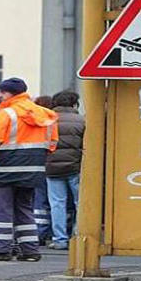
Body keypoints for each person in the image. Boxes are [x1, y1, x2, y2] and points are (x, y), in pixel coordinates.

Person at [0, 77, 58, 262]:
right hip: (32, 170)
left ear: (8, 93)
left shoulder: (5, 115)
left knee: (2, 210)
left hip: (3, 170)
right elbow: (52, 145)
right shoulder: (46, 114)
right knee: (25, 209)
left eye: (1, 92)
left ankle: (2, 250)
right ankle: (30, 251)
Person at [44, 91, 85, 250]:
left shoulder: (47, 121)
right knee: (80, 203)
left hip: (52, 168)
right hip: (76, 167)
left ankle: (60, 239)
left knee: (57, 204)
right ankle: (78, 237)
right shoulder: (82, 121)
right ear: (75, 104)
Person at [32, 95, 54, 245]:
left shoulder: (36, 121)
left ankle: (39, 232)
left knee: (40, 203)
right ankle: (57, 234)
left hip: (39, 166)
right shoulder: (53, 121)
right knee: (59, 203)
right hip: (68, 167)